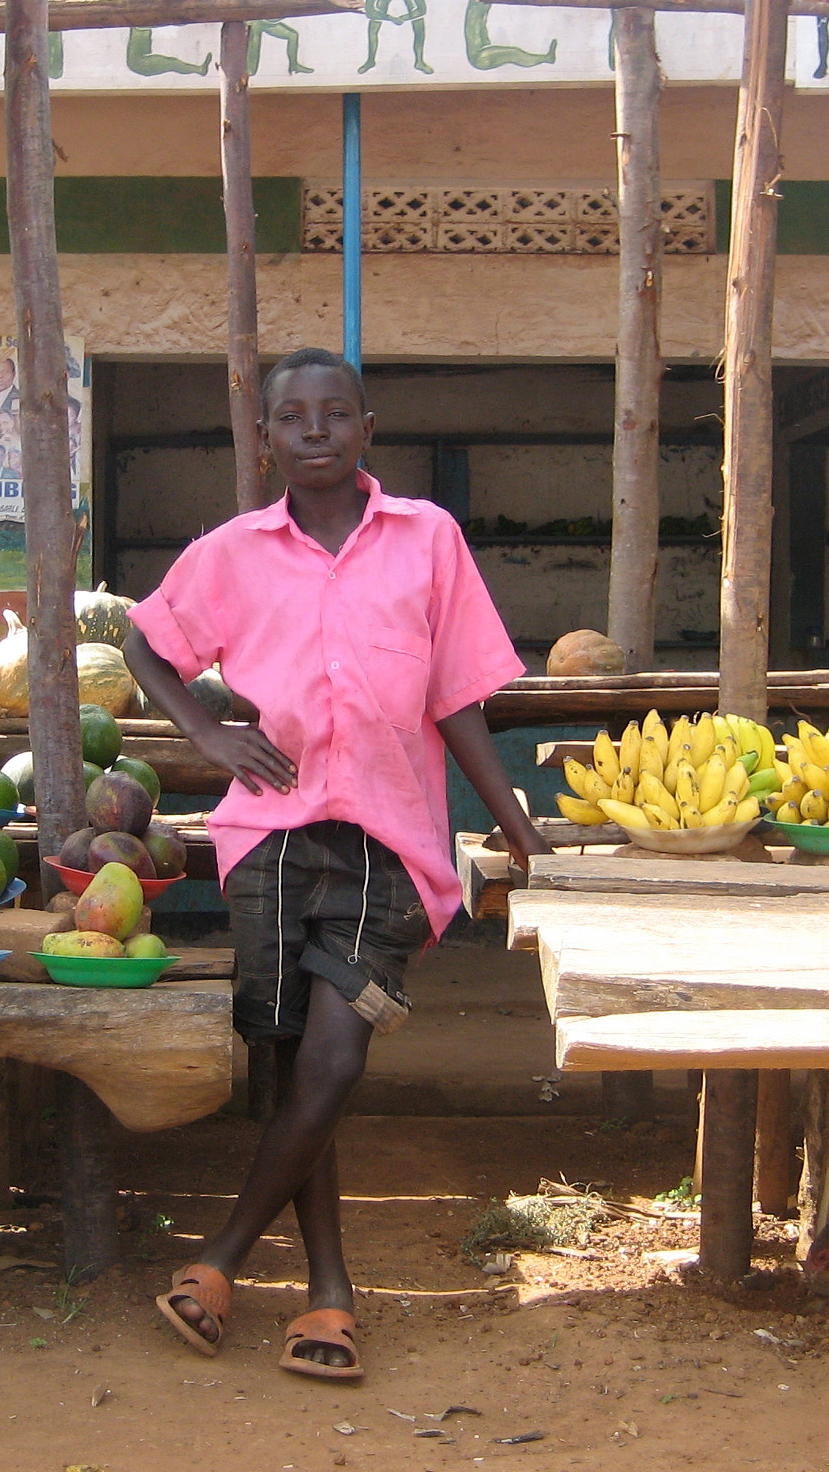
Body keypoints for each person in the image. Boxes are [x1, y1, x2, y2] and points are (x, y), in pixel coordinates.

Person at [123, 347, 550, 1381]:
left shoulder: (427, 540)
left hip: (387, 844)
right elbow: (145, 643)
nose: (313, 429)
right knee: (290, 1066)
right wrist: (206, 736)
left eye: (334, 413)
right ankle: (329, 1300)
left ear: (367, 429)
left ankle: (220, 1259)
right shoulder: (229, 553)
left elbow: (454, 695)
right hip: (268, 836)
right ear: (264, 440)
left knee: (333, 1060)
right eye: (291, 417)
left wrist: (511, 823)